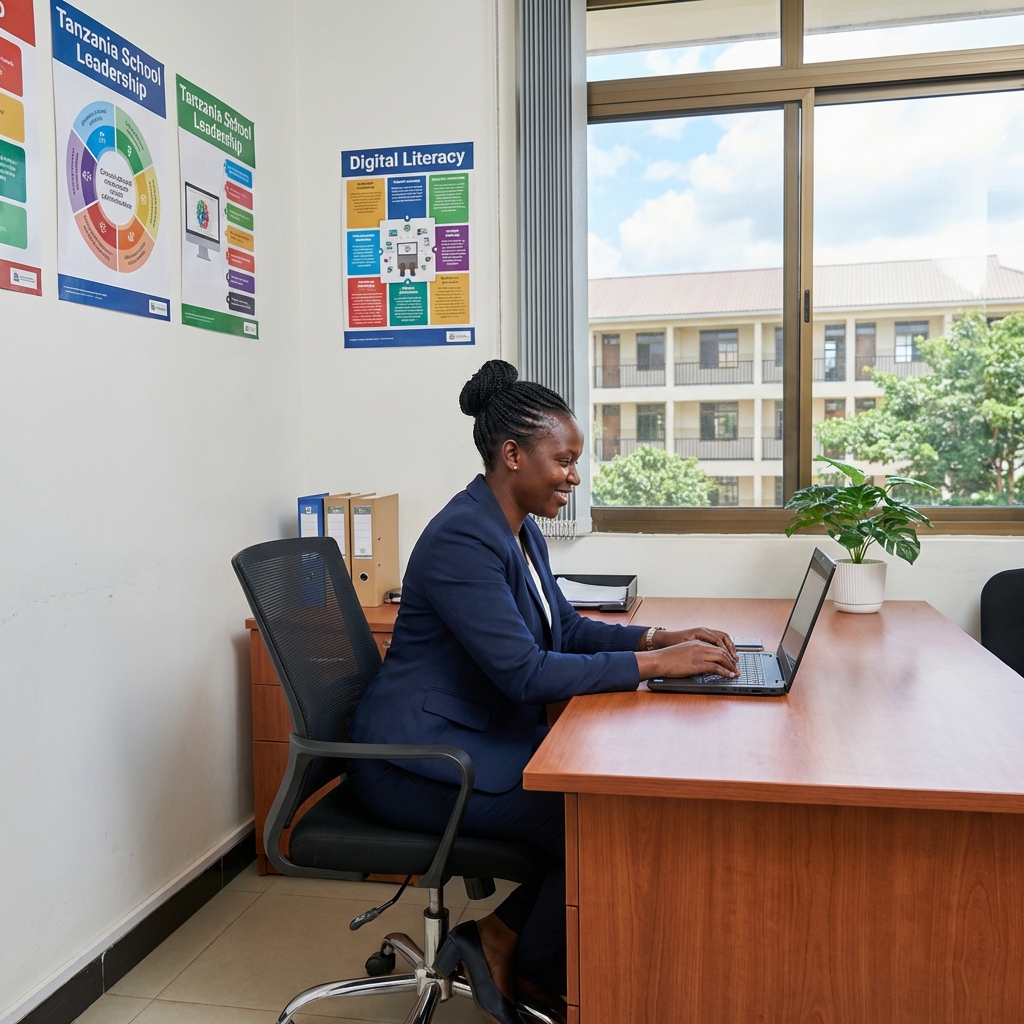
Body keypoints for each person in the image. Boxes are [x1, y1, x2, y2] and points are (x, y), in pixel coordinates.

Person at [349, 359, 738, 1024]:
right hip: (415, 760)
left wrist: (654, 639)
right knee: (606, 822)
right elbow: (528, 671)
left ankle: (503, 940)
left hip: (473, 736)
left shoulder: (518, 527)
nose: (574, 477)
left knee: (612, 796)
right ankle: (517, 956)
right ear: (512, 454)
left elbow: (562, 628)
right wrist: (657, 667)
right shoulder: (463, 538)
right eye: (563, 460)